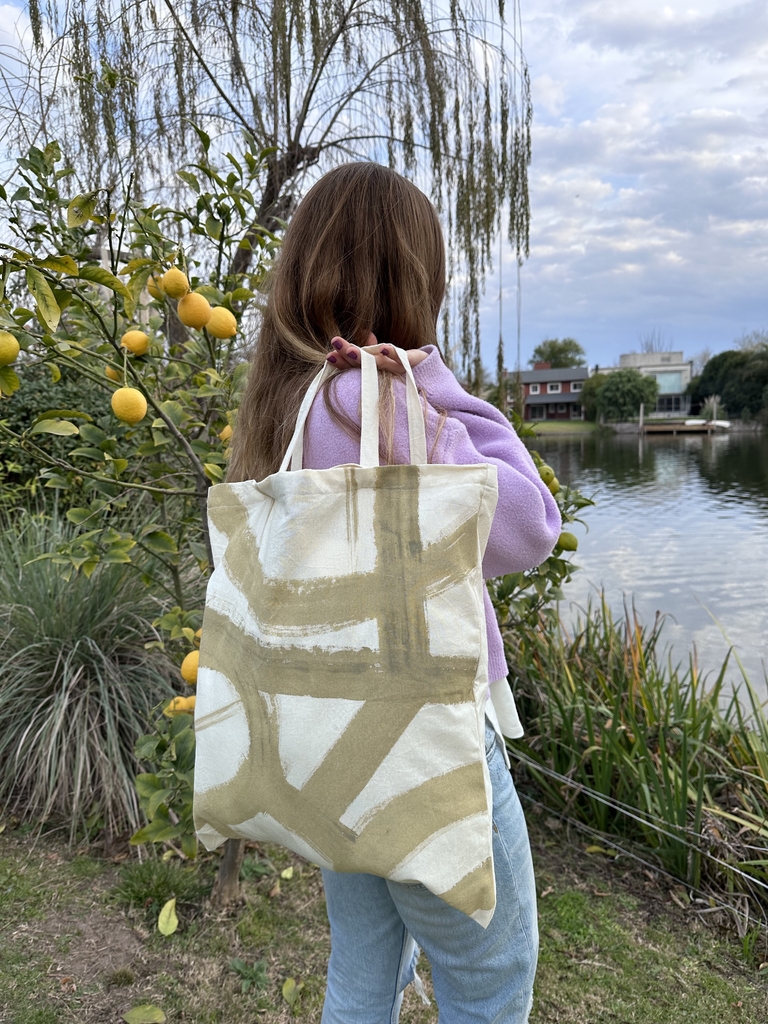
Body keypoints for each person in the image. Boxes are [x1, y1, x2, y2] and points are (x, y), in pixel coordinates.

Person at [227, 162, 561, 1023]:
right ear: (414, 279)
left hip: (335, 743)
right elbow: (528, 525)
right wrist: (432, 382)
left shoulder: (288, 405)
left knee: (364, 969)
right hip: (421, 743)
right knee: (490, 980)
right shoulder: (382, 403)